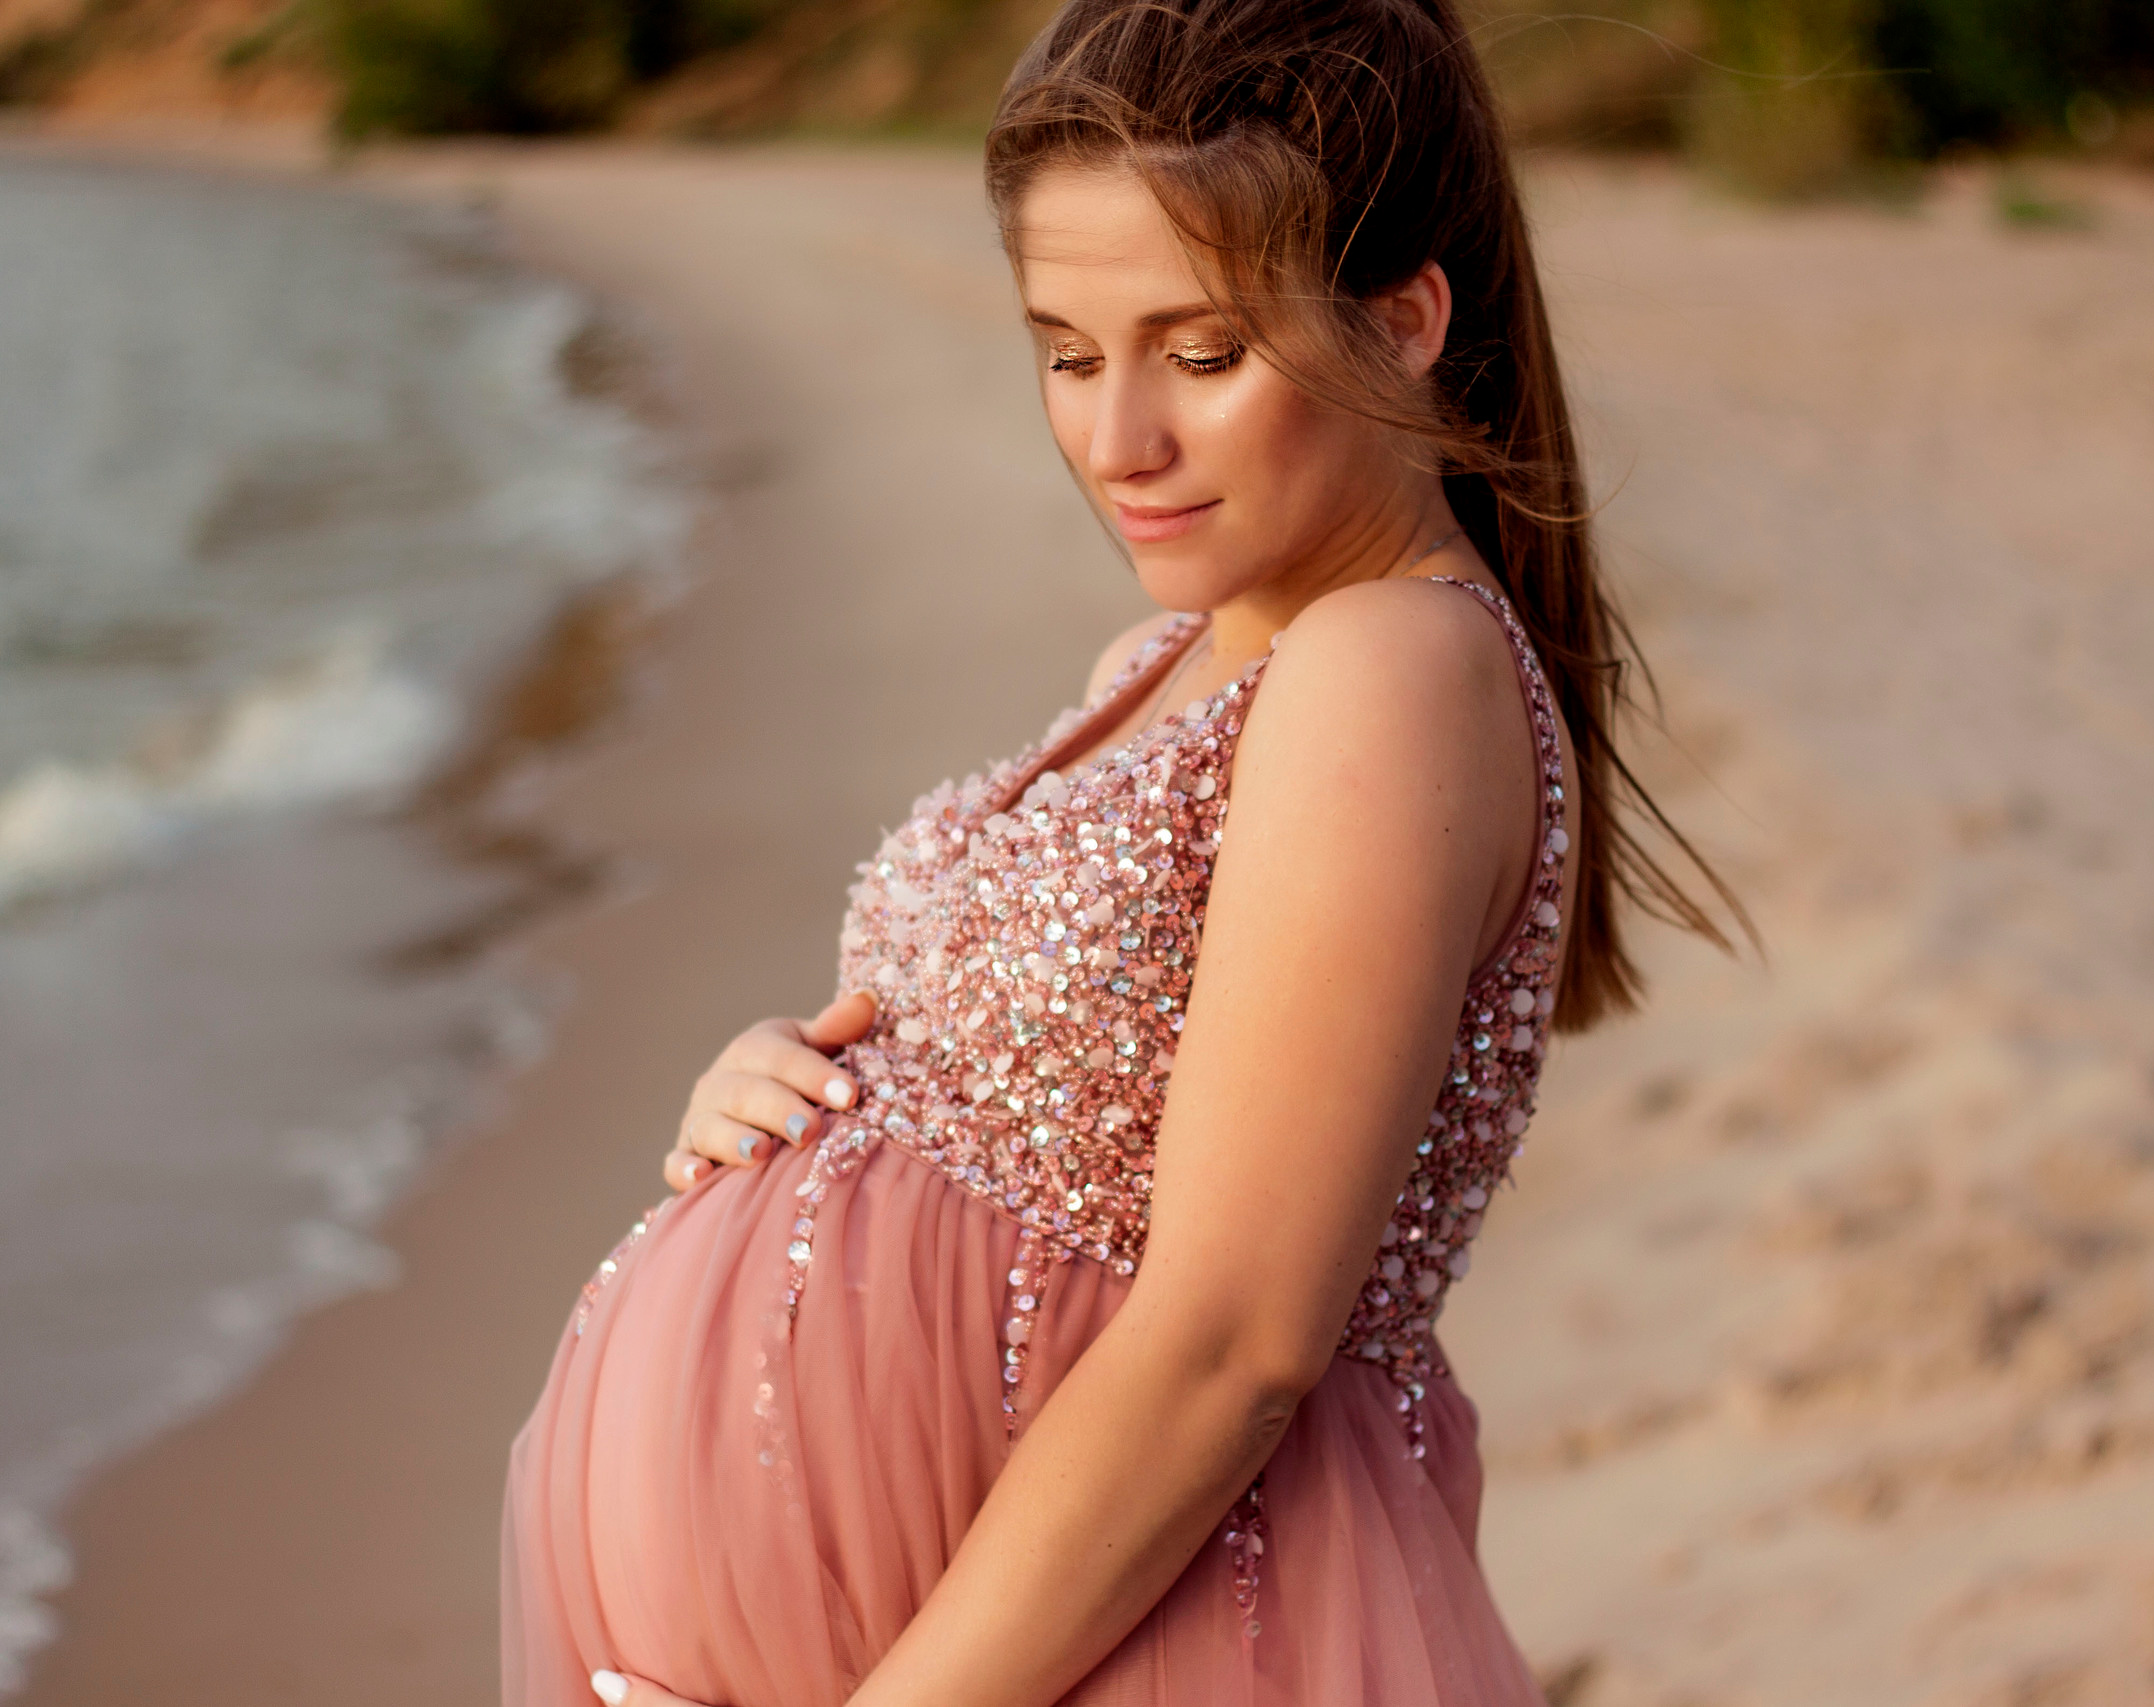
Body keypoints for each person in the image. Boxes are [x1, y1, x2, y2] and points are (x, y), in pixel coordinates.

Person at [503, 0, 1736, 1700]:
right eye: (1069, 353)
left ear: (1406, 319)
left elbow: (1236, 1341)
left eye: (1202, 354)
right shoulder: (1174, 662)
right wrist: (786, 1094)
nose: (1114, 438)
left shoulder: (1393, 672)